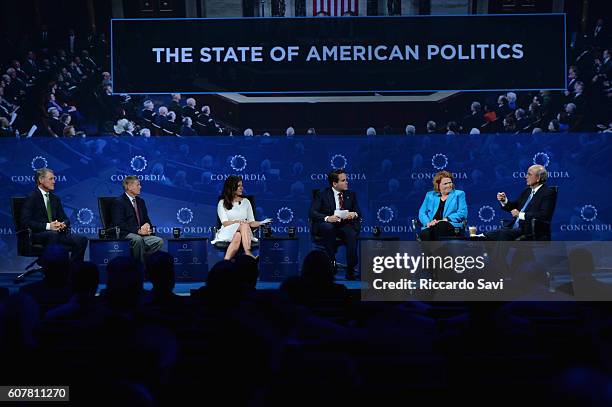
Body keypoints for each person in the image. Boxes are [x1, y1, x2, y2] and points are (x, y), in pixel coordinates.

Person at [20, 168, 88, 262]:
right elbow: (25, 222)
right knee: (53, 235)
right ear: (41, 180)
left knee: (82, 240)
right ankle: (53, 270)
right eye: (51, 179)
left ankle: (73, 270)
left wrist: (62, 224)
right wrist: (49, 226)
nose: (54, 182)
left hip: (56, 233)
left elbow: (65, 219)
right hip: (38, 235)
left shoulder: (55, 199)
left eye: (54, 179)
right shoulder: (31, 197)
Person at [309, 169, 361, 280]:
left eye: (346, 180)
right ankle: (331, 266)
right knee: (329, 228)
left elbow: (358, 212)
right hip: (327, 225)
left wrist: (354, 214)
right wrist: (328, 218)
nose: (347, 182)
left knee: (351, 234)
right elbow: (313, 212)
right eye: (343, 180)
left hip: (344, 224)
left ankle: (351, 269)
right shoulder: (321, 194)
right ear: (334, 183)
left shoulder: (351, 195)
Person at [485, 165, 556, 241]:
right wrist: (504, 201)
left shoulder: (548, 193)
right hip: (515, 227)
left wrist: (520, 215)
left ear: (538, 178)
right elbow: (514, 207)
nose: (526, 177)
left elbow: (544, 215)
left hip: (529, 230)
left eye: (529, 174)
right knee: (487, 236)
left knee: (501, 233)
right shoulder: (527, 191)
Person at [212, 175, 271, 260]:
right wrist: (239, 222)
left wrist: (261, 222)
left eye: (242, 186)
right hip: (227, 231)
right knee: (243, 224)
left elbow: (251, 222)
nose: (241, 188)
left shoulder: (246, 202)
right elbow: (225, 223)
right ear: (232, 187)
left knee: (238, 235)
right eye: (239, 186)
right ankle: (248, 254)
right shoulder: (222, 203)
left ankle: (225, 261)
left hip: (245, 232)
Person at [111, 176, 164, 263]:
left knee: (158, 241)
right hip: (126, 233)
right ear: (129, 187)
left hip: (141, 234)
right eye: (138, 185)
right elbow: (119, 223)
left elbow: (146, 219)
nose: (140, 187)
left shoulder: (140, 201)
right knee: (137, 240)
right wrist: (138, 231)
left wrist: (147, 226)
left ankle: (144, 263)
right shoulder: (118, 202)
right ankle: (140, 268)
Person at [417, 171, 468, 241]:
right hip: (432, 226)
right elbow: (422, 213)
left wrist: (446, 219)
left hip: (450, 225)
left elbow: (462, 213)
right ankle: (434, 252)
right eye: (445, 184)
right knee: (425, 233)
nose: (449, 186)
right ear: (438, 185)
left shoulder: (459, 194)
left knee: (442, 225)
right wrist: (428, 223)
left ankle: (438, 251)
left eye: (450, 182)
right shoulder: (430, 195)